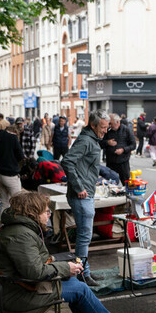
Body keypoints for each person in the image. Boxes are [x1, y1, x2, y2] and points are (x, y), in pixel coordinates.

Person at [0, 192, 143, 313]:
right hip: (15, 298)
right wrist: (65, 267)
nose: (49, 215)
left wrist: (62, 265)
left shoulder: (18, 230)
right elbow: (34, 272)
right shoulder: (20, 235)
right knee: (80, 289)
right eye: (46, 211)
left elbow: (32, 263)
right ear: (33, 213)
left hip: (14, 289)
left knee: (74, 282)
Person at [61, 109, 110, 287]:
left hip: (86, 193)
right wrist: (79, 187)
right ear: (93, 125)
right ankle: (82, 274)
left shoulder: (91, 139)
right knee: (84, 237)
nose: (105, 131)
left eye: (107, 127)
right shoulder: (86, 140)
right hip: (81, 195)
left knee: (85, 236)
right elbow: (67, 161)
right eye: (103, 127)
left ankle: (85, 271)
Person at [0, 124, 24, 209]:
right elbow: (21, 156)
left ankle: (4, 218)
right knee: (19, 203)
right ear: (14, 133)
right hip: (11, 176)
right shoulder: (12, 138)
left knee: (4, 203)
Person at [101, 113, 136, 184]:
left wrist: (123, 149)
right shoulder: (107, 131)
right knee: (110, 184)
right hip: (111, 162)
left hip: (123, 162)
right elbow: (100, 144)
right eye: (109, 124)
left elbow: (133, 145)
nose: (109, 126)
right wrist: (107, 142)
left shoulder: (126, 130)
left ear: (117, 122)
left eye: (111, 124)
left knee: (126, 183)